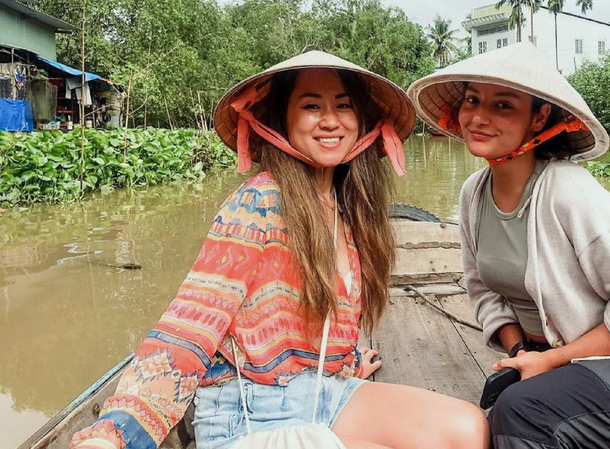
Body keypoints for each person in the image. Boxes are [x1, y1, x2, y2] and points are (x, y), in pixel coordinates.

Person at [71, 51, 489, 449]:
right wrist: (113, 434)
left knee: (467, 429)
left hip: (323, 390)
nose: (330, 121)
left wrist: (346, 359)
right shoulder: (258, 203)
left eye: (343, 106)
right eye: (311, 106)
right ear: (281, 122)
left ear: (361, 123)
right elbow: (188, 325)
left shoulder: (346, 208)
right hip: (250, 410)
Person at [408, 42, 610, 449]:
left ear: (539, 117)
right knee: (503, 407)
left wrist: (548, 361)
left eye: (504, 106)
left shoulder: (568, 192)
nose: (479, 117)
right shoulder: (473, 193)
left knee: (520, 413)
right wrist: (521, 353)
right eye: (472, 100)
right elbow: (483, 291)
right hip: (561, 357)